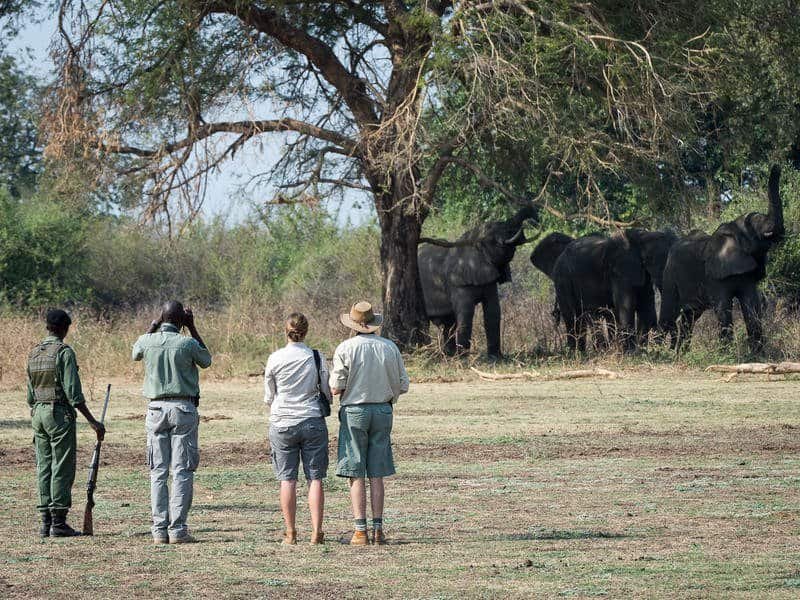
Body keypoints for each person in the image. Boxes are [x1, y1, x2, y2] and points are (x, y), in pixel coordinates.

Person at [330, 301, 409, 545]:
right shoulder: (390, 348)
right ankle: (378, 529)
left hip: (354, 411)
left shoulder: (345, 348)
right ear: (374, 324)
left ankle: (360, 531)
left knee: (355, 472)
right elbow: (403, 384)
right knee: (376, 474)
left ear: (353, 325)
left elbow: (335, 388)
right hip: (383, 411)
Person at [132, 301, 211, 544]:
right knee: (182, 471)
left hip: (155, 409)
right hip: (183, 409)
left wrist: (153, 325)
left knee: (158, 471)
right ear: (181, 321)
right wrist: (193, 327)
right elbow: (206, 359)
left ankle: (159, 530)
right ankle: (178, 530)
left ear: (162, 318)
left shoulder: (147, 340)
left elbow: (136, 352)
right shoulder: (187, 343)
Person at [27, 309, 105, 537]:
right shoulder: (64, 352)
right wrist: (93, 421)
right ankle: (59, 523)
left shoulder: (34, 353)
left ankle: (45, 522)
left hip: (38, 413)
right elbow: (74, 394)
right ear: (63, 328)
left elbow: (30, 396)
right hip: (58, 414)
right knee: (61, 466)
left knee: (44, 466)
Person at [264, 313, 331, 545]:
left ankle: (291, 533)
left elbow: (269, 396)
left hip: (282, 422)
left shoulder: (275, 358)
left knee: (287, 479)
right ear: (306, 331)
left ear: (286, 331)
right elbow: (327, 391)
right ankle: (316, 532)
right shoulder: (316, 356)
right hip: (312, 419)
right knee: (315, 478)